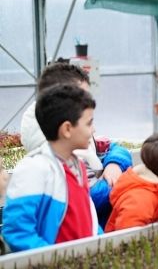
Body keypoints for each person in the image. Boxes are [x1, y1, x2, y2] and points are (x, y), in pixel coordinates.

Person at [20, 62, 132, 227]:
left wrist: (114, 164)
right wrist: (121, 185)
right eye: (81, 96)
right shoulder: (48, 166)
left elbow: (112, 147)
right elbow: (84, 200)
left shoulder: (75, 135)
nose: (87, 101)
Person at [3, 84, 101, 251]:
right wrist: (53, 260)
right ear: (67, 129)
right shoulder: (34, 170)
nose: (94, 129)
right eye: (89, 123)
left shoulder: (78, 166)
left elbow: (88, 219)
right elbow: (17, 232)